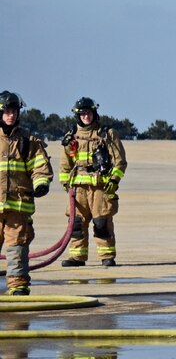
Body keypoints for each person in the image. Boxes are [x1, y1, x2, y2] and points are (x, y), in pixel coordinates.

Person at [58, 97, 127, 267]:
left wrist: (114, 179)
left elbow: (119, 161)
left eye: (88, 113)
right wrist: (66, 183)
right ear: (78, 116)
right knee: (76, 224)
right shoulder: (71, 136)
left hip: (100, 187)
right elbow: (64, 165)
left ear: (94, 113)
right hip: (78, 189)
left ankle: (107, 256)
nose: (86, 117)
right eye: (82, 114)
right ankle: (77, 257)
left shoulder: (107, 134)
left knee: (101, 222)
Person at [0, 91, 55, 296]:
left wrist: (41, 183)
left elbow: (40, 165)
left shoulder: (27, 141)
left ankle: (18, 287)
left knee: (17, 249)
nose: (10, 115)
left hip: (18, 207)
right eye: (6, 111)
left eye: (13, 111)